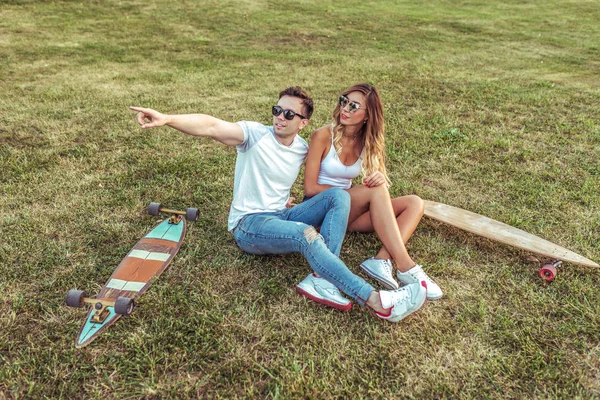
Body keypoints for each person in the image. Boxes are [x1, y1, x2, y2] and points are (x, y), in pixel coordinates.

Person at [129, 86, 427, 323]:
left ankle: (321, 280)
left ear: (303, 122)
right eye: (277, 110)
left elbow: (327, 175)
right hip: (250, 225)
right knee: (304, 234)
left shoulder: (301, 148)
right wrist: (168, 119)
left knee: (338, 195)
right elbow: (210, 125)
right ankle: (377, 301)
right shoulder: (254, 135)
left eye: (288, 114)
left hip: (281, 214)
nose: (279, 118)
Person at [300, 83, 443, 301]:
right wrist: (358, 192)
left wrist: (377, 177)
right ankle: (406, 266)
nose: (346, 109)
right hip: (320, 211)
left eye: (354, 105)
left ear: (368, 116)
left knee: (414, 203)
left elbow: (377, 184)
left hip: (346, 215)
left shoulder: (367, 142)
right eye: (343, 101)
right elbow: (310, 188)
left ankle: (382, 259)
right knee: (375, 191)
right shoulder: (322, 136)